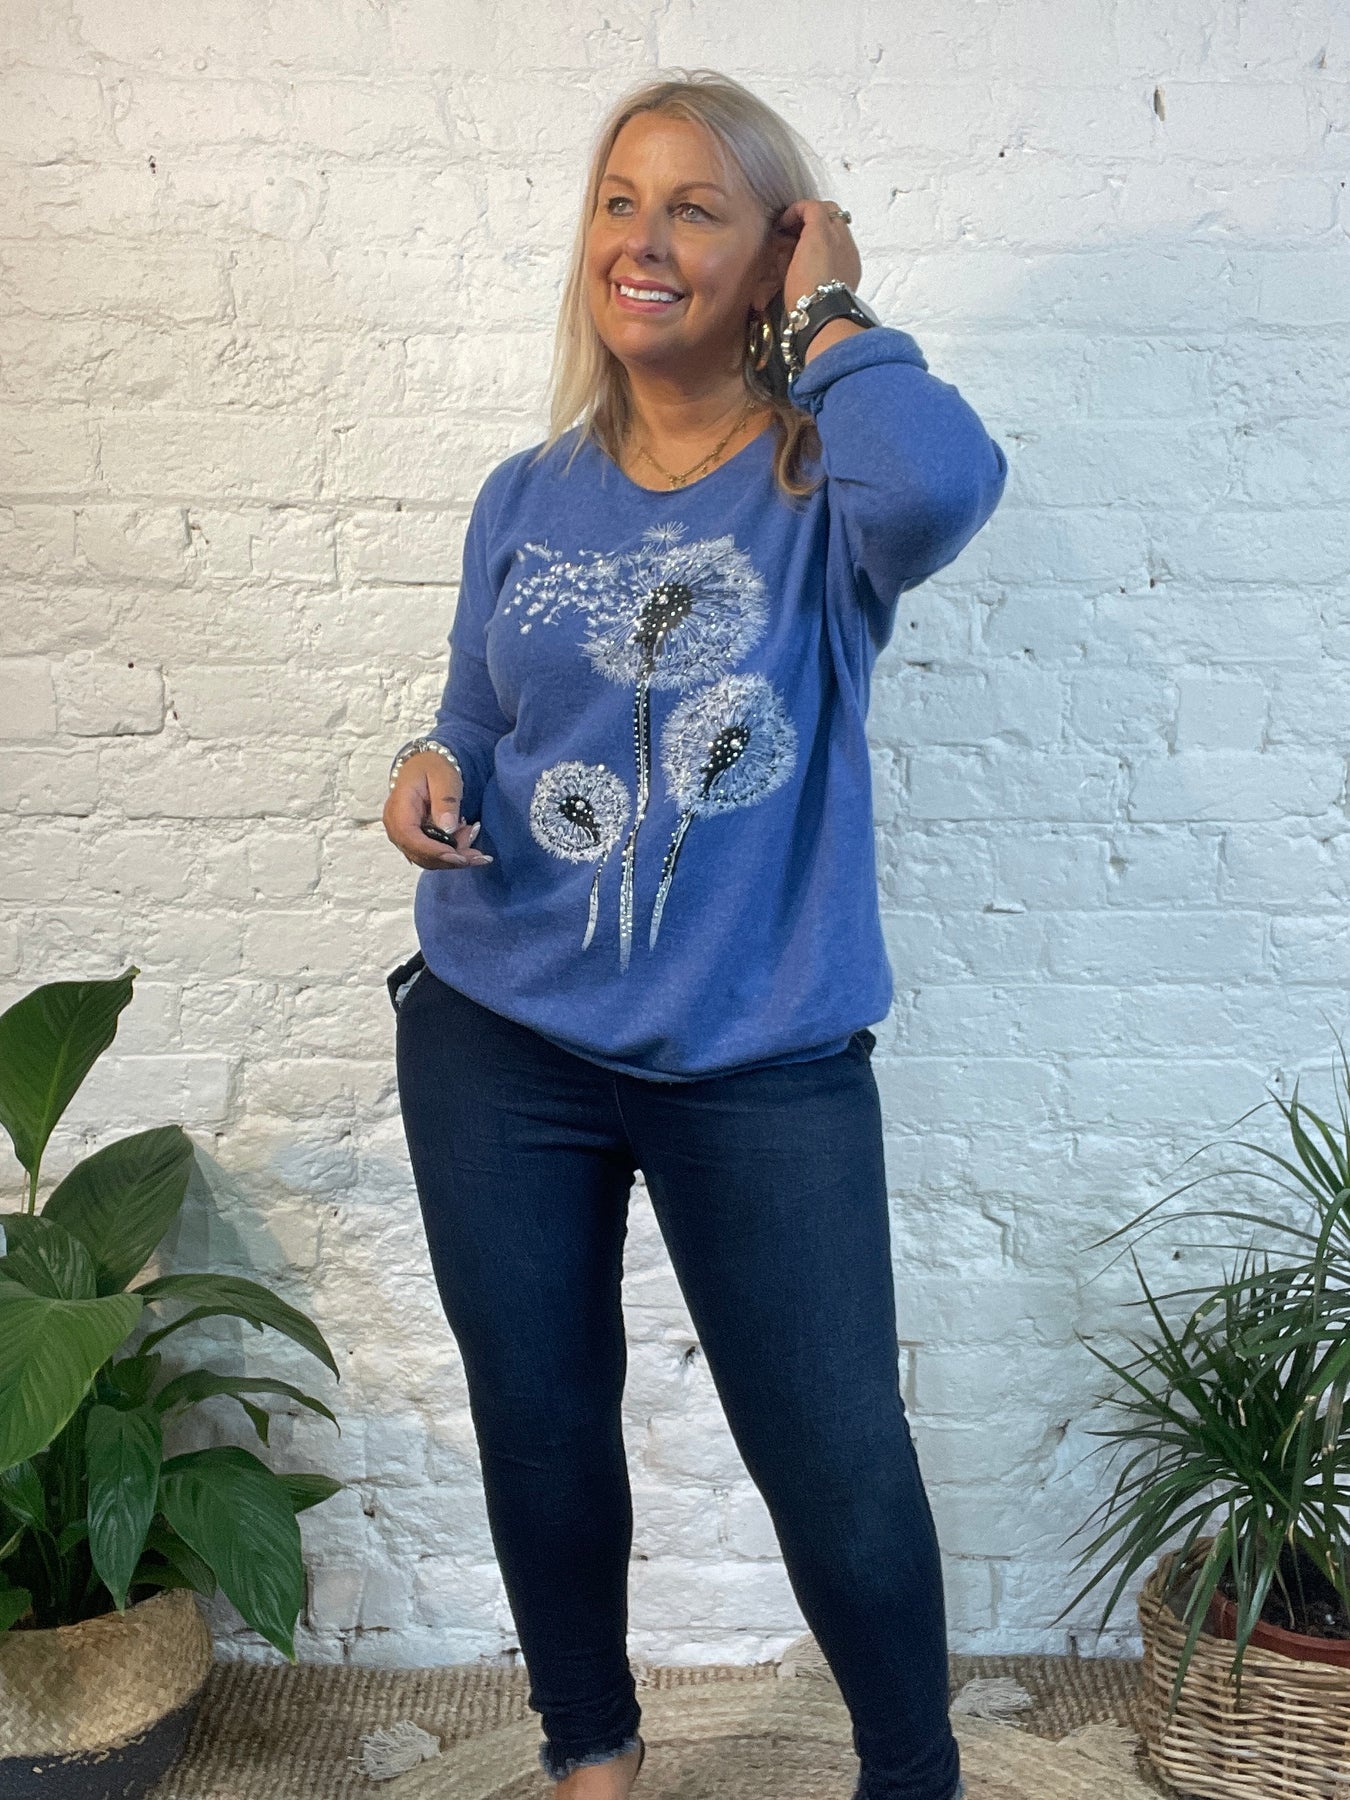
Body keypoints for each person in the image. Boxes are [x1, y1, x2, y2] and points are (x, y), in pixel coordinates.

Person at [384, 68, 1005, 1800]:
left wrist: (835, 313)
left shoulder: (825, 488)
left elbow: (942, 488)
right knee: (540, 1418)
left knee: (834, 1457)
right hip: (499, 1033)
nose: (639, 242)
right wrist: (436, 761)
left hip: (758, 1054)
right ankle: (588, 1755)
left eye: (694, 210)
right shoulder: (526, 492)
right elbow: (481, 707)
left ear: (771, 255)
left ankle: (913, 1776)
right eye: (617, 202)